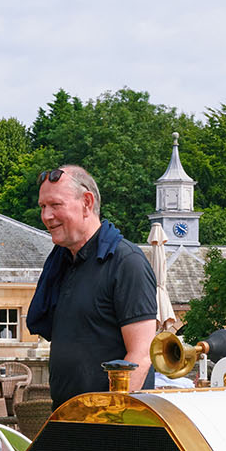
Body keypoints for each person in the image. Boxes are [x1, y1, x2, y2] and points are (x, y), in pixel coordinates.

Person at [26, 164, 159, 408]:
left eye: (55, 205)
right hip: (68, 417)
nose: (46, 216)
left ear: (87, 202)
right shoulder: (61, 262)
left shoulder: (126, 262)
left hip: (114, 424)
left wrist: (108, 418)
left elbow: (142, 355)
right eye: (43, 207)